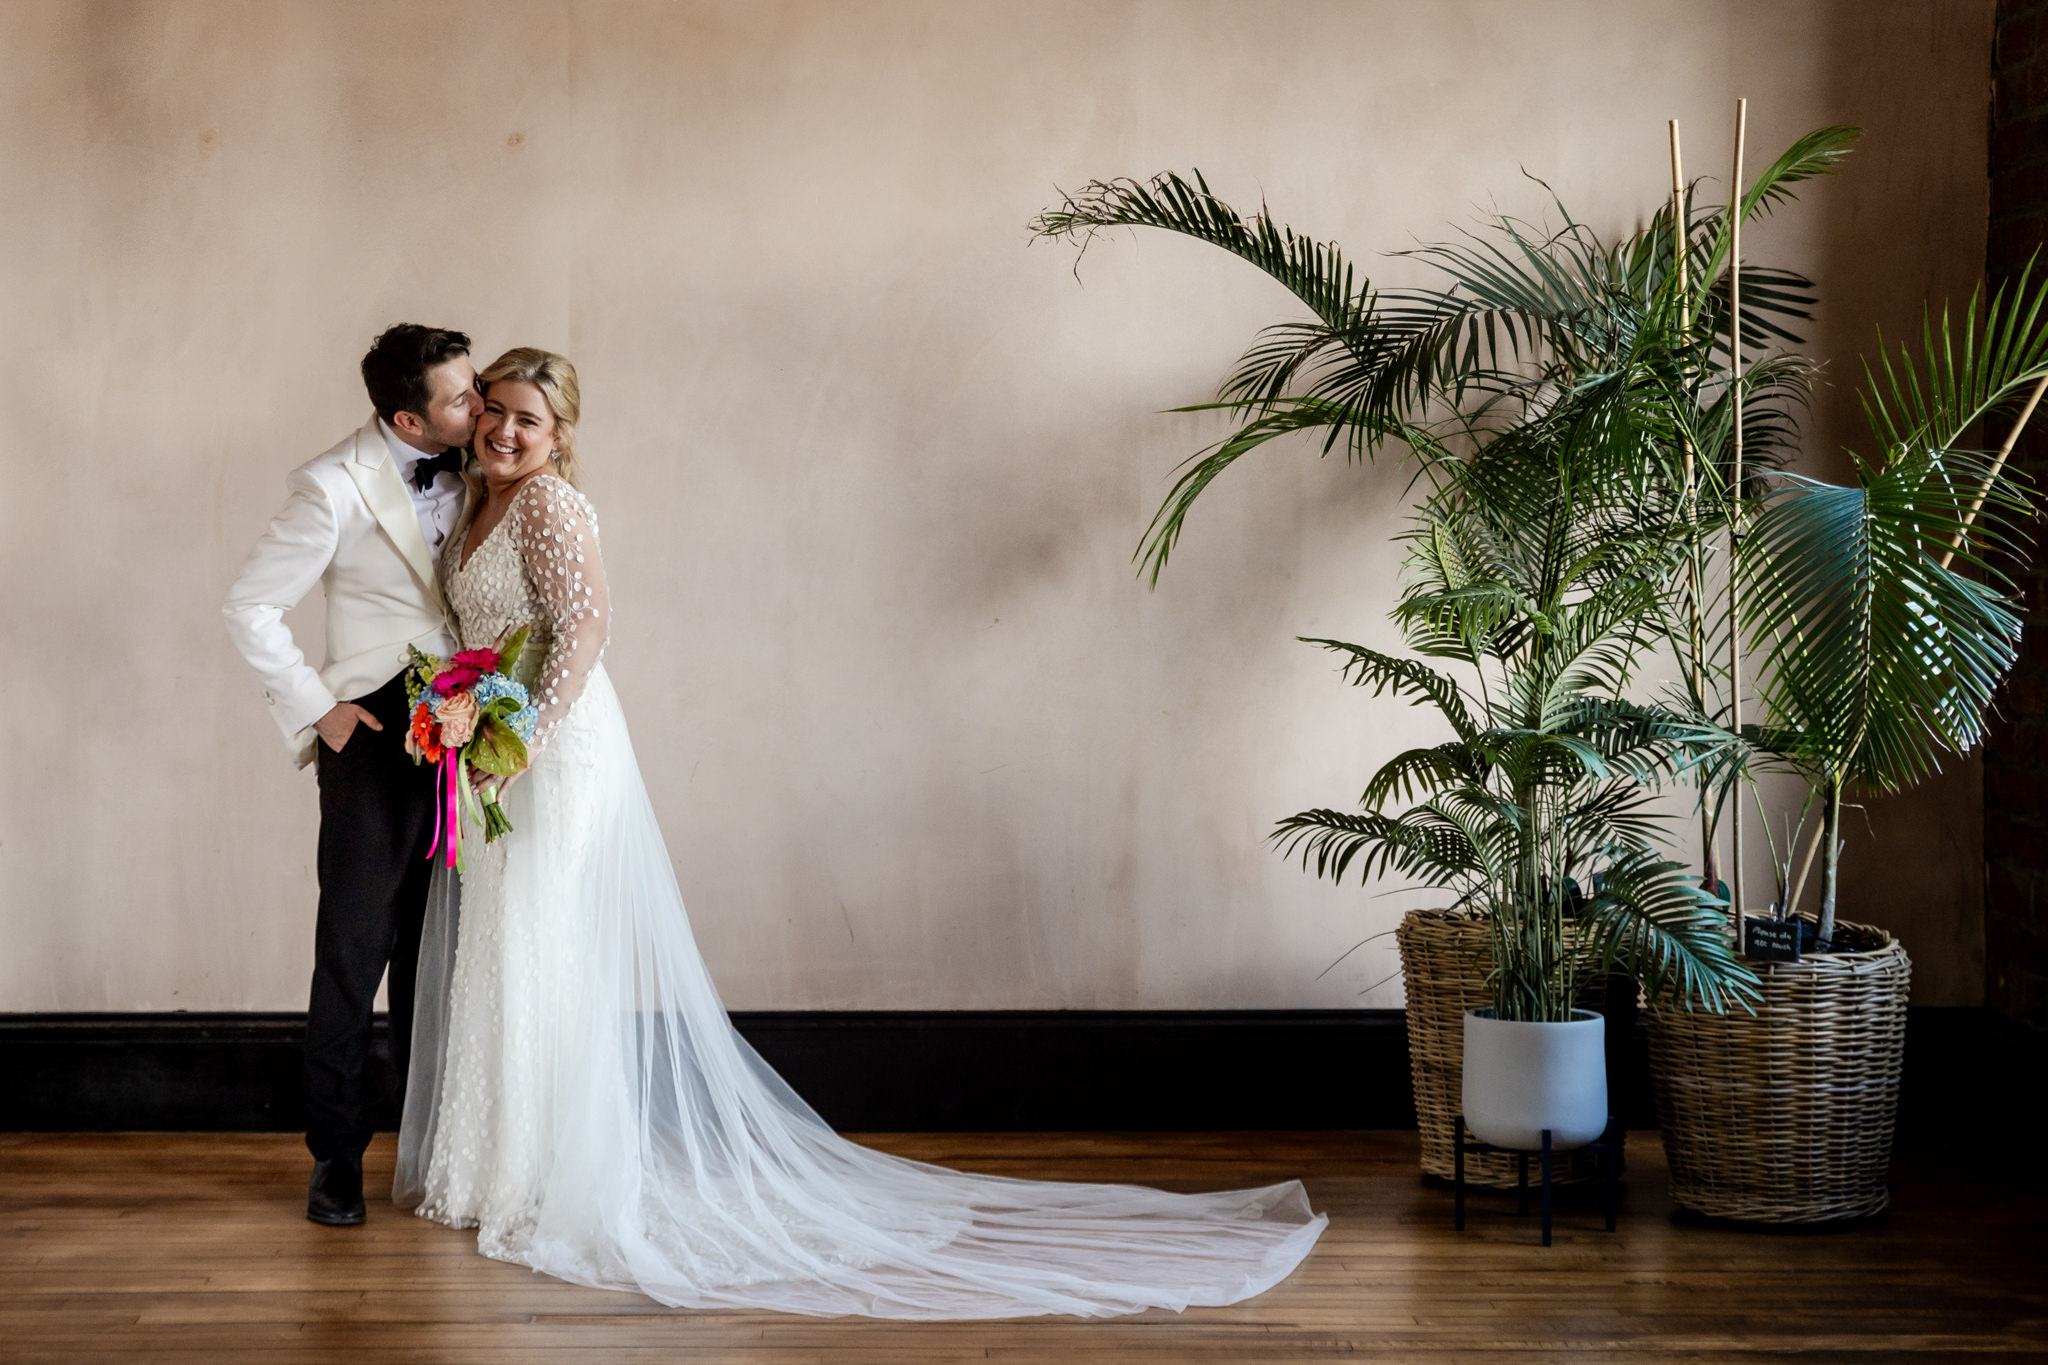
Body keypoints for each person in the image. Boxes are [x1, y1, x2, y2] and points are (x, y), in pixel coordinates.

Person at [395, 347, 1326, 1319]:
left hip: (552, 747)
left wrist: (528, 739)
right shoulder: (472, 502)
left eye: (527, 421)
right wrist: (465, 717)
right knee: (502, 941)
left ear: (561, 436)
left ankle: (549, 1173)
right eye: (494, 411)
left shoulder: (550, 506)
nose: (504, 431)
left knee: (545, 945)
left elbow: (583, 634)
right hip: (494, 746)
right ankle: (492, 1163)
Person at [223, 325, 480, 1226]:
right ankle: (335, 1158)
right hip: (372, 738)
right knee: (351, 954)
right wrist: (318, 710)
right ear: (408, 416)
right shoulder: (331, 486)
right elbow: (248, 603)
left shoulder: (477, 461)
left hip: (460, 731)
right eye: (458, 397)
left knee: (436, 952)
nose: (478, 405)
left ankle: (428, 1147)